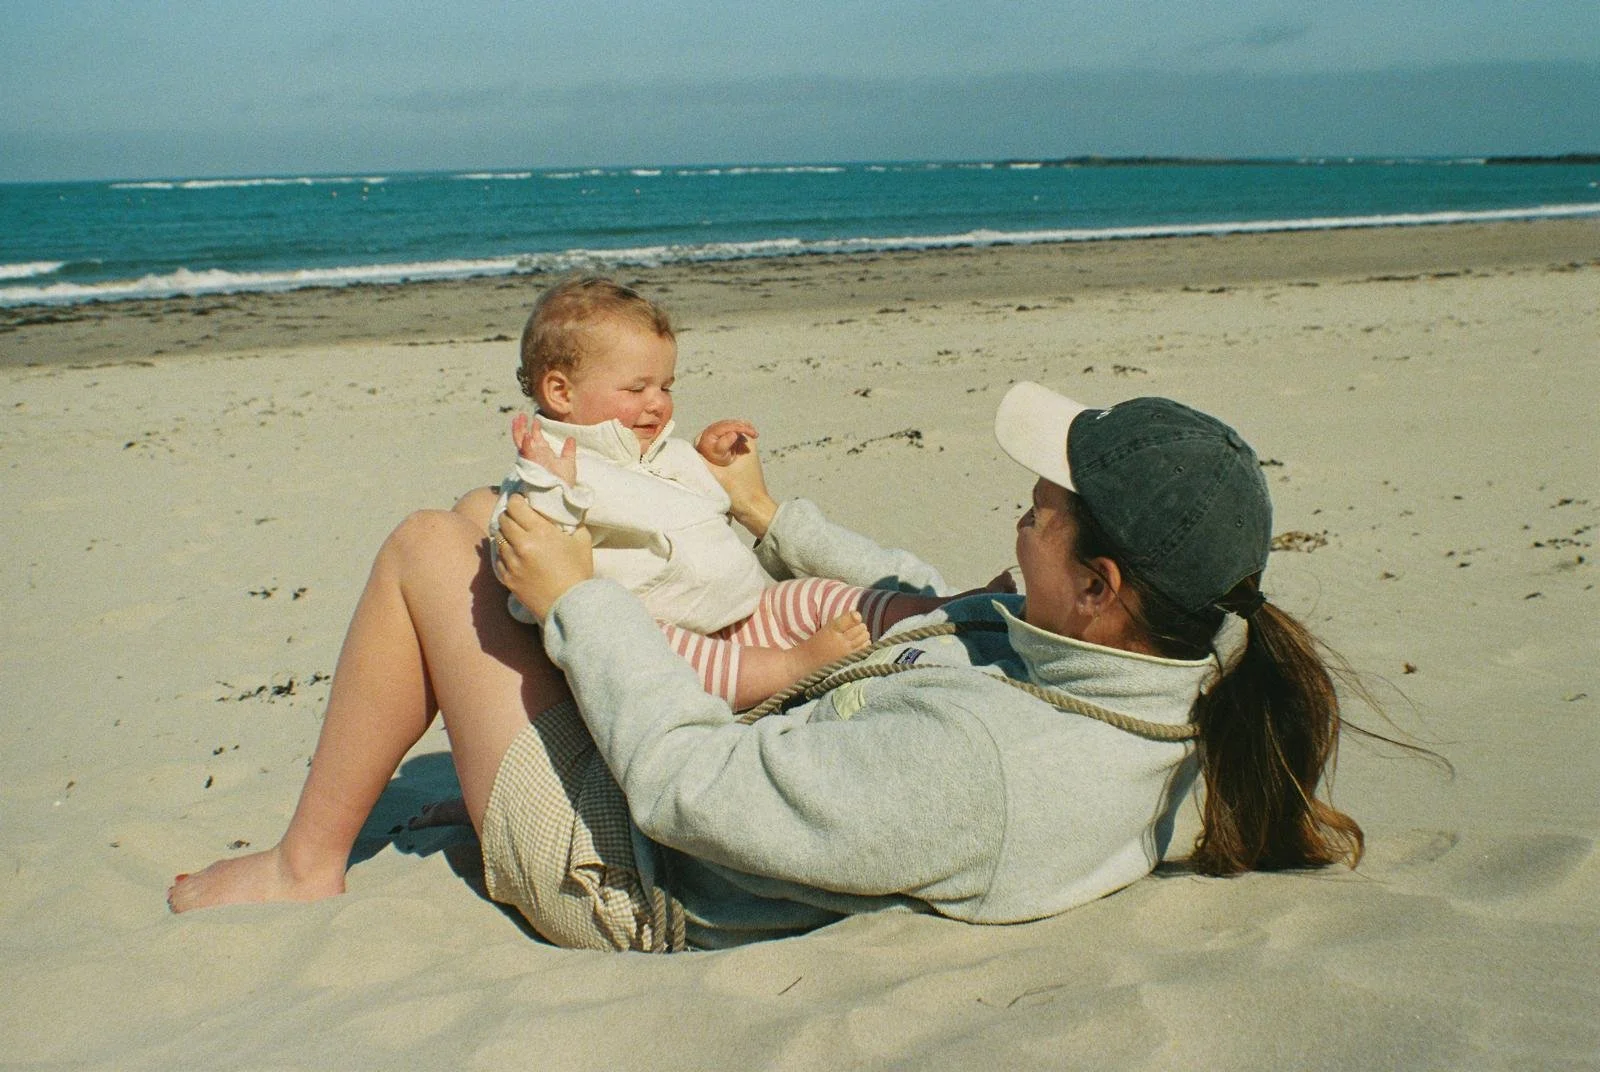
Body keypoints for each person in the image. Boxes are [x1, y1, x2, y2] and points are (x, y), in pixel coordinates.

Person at [169, 381, 1363, 955]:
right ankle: (476, 768)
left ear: (1100, 587)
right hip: (719, 758)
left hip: (631, 869)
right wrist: (768, 515)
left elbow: (690, 792)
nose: (1022, 513)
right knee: (498, 517)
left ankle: (303, 864)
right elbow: (934, 605)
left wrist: (580, 603)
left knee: (434, 546)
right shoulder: (1156, 662)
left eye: (1041, 509)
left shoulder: (985, 767)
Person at [490, 276, 967, 709]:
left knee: (813, 595)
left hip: (741, 610)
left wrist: (707, 464)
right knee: (671, 654)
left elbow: (701, 509)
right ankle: (791, 668)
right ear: (561, 392)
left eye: (665, 387)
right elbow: (532, 556)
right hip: (665, 635)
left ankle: (931, 611)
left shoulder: (655, 450)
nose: (657, 403)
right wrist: (552, 491)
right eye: (636, 389)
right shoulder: (546, 469)